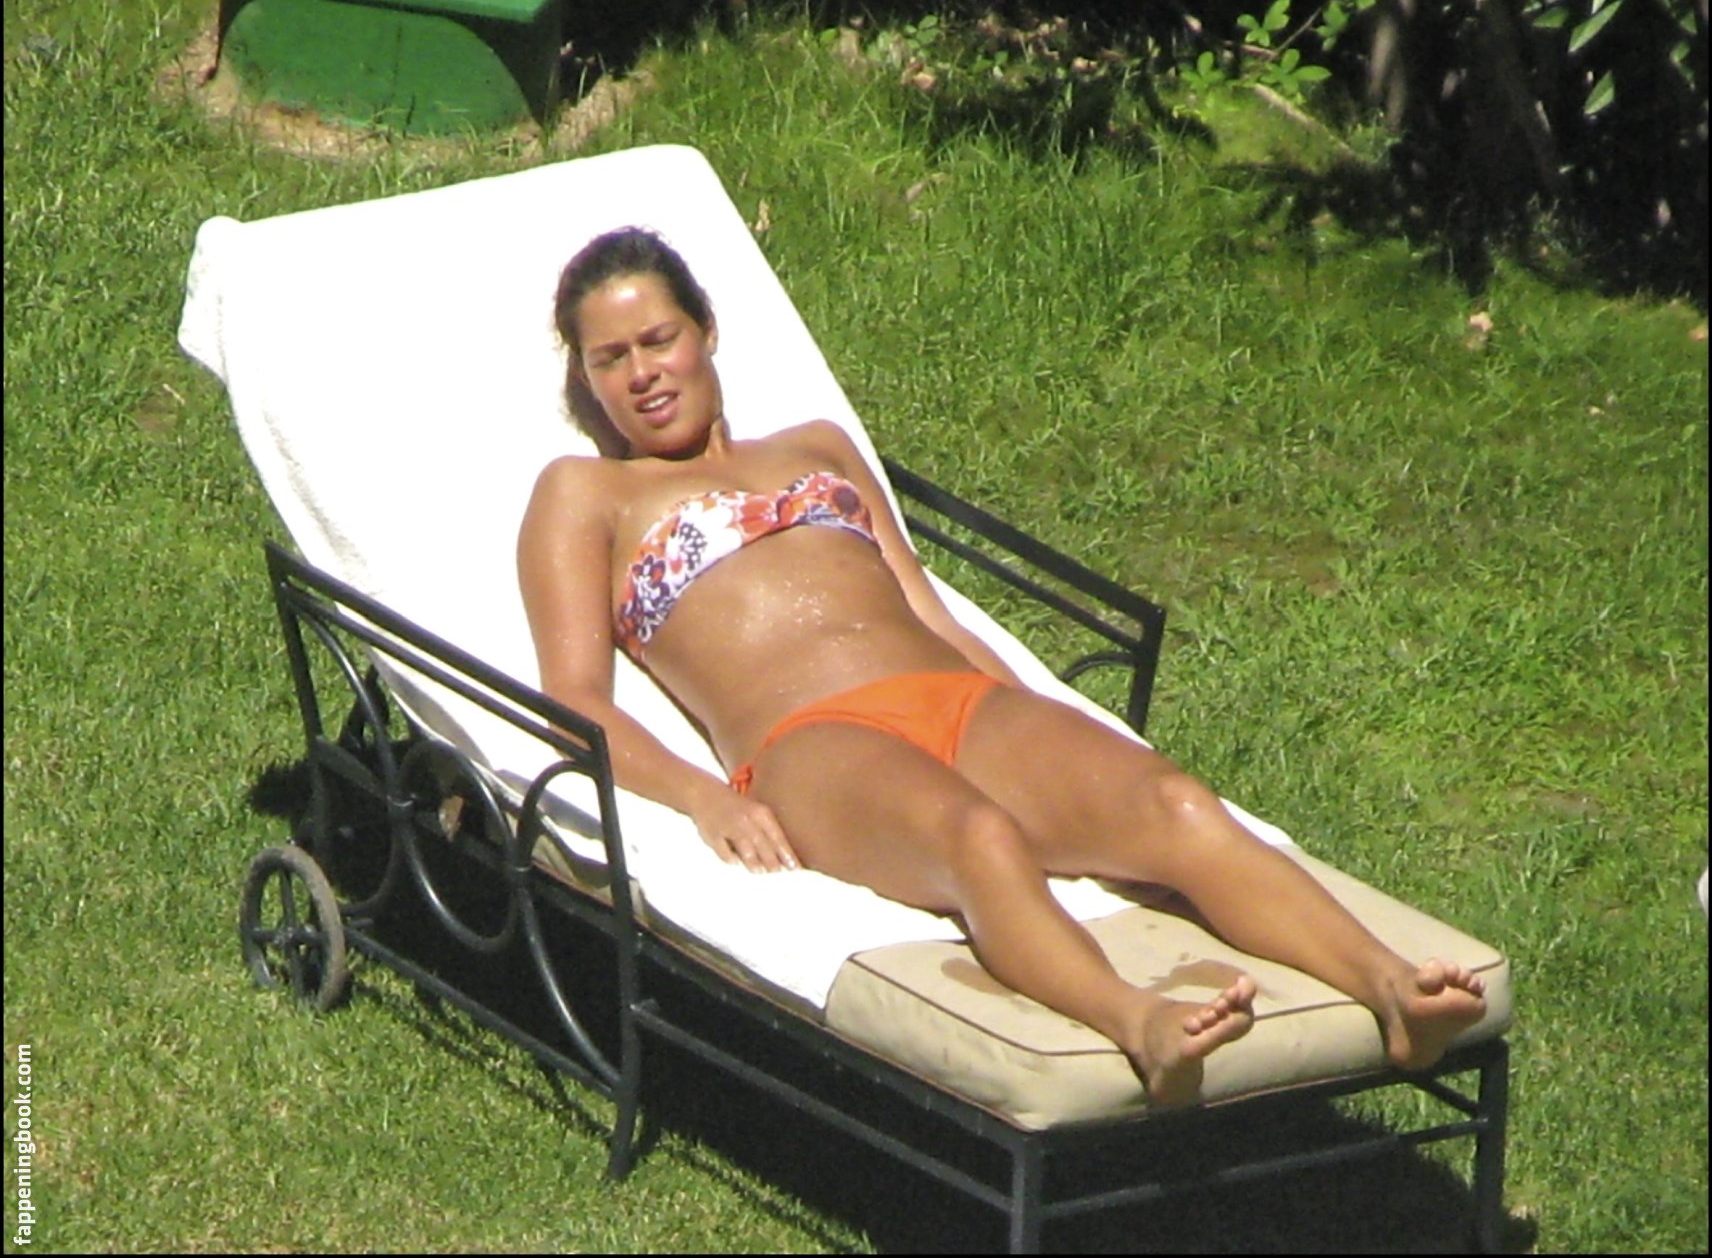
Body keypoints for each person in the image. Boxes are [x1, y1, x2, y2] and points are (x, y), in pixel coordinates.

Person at [517, 227, 1486, 1106]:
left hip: (955, 698)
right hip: (809, 743)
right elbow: (573, 695)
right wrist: (703, 798)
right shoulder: (585, 494)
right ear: (587, 382)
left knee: (1177, 805)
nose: (641, 373)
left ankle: (1390, 987)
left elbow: (925, 607)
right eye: (610, 358)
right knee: (980, 839)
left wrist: (1035, 713)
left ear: (705, 331)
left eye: (658, 339)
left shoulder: (817, 447)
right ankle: (1140, 1023)